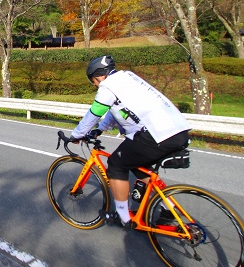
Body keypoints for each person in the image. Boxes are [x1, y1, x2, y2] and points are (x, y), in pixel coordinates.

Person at [69, 55, 191, 228]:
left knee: (116, 164)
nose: (95, 85)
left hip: (155, 134)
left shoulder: (107, 86)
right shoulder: (128, 78)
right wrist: (100, 129)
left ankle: (123, 216)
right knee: (140, 168)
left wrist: (77, 134)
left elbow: (95, 112)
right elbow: (117, 110)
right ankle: (168, 207)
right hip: (179, 130)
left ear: (98, 76)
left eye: (93, 82)